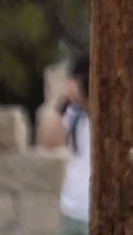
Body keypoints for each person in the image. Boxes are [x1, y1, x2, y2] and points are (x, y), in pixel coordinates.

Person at [40, 56, 91, 235]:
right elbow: (49, 142)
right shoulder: (73, 111)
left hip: (101, 209)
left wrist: (88, 102)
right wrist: (65, 100)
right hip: (73, 208)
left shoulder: (112, 110)